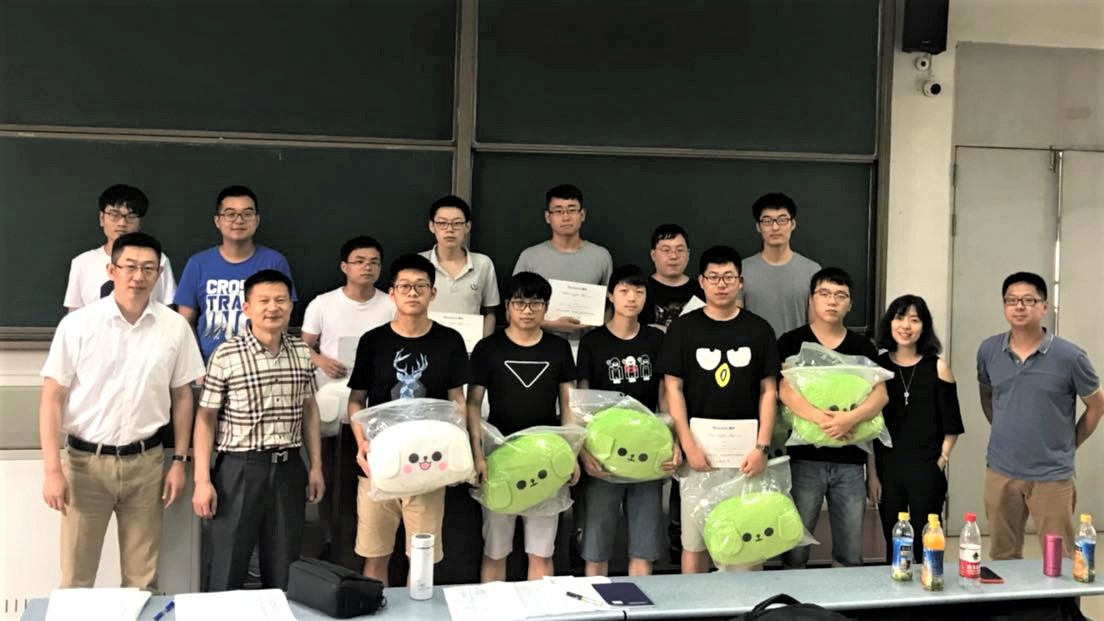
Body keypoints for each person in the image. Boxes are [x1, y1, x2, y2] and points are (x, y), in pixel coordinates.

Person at [40, 232, 204, 590]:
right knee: (76, 577)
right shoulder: (78, 325)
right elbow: (52, 397)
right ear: (112, 271)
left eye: (148, 268)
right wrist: (52, 469)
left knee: (142, 579)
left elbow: (182, 397)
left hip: (146, 464)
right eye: (129, 267)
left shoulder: (174, 327)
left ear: (159, 274)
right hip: (85, 466)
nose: (138, 276)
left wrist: (179, 460)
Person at [192, 269, 325, 591]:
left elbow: (309, 409)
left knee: (285, 564)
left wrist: (316, 466)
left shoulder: (302, 353)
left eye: (281, 300)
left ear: (291, 306)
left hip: (289, 467)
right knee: (228, 562)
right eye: (264, 301)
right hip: (240, 469)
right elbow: (206, 418)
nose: (273, 307)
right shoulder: (226, 354)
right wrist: (201, 480)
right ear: (247, 307)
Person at [345, 254, 471, 584]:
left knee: (423, 559)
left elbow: (457, 400)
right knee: (374, 556)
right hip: (378, 466)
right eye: (404, 286)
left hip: (429, 466)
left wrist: (462, 449)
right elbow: (356, 400)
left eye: (420, 286)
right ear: (392, 293)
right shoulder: (373, 341)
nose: (412, 293)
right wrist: (362, 444)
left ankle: (420, 608)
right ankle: (374, 607)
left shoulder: (450, 340)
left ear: (433, 293)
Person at [657, 245, 779, 574]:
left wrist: (762, 447)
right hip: (699, 454)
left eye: (728, 277)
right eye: (713, 277)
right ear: (701, 281)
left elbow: (769, 391)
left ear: (741, 281)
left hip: (747, 458)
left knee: (745, 542)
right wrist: (687, 444)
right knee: (694, 544)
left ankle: (745, 603)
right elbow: (672, 389)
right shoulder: (683, 328)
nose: (721, 284)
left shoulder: (759, 329)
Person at [978, 271, 1102, 559]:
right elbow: (987, 395)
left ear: (1044, 306)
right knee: (1003, 555)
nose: (1019, 306)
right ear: (1004, 305)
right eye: (1011, 300)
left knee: (1060, 560)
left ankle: (1060, 594)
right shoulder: (988, 350)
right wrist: (1006, 429)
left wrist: (1069, 444)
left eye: (1028, 300)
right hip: (1000, 470)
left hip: (1051, 475)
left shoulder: (1070, 356)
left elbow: (1097, 406)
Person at [467, 272, 579, 582]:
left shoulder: (558, 349)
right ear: (507, 306)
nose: (527, 310)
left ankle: (539, 607)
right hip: (498, 460)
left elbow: (568, 404)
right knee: (495, 550)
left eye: (536, 303)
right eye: (519, 303)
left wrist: (571, 453)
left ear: (546, 308)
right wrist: (477, 455)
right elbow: (472, 405)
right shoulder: (488, 348)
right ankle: (492, 608)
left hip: (547, 459)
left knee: (542, 553)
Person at [778, 267, 888, 569]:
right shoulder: (791, 342)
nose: (832, 301)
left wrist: (849, 419)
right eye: (824, 294)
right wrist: (822, 420)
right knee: (794, 549)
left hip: (850, 463)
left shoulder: (862, 347)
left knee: (850, 553)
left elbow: (880, 395)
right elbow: (783, 391)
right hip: (803, 461)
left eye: (841, 296)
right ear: (811, 299)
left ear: (850, 304)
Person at [301, 236, 395, 567]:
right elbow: (302, 345)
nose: (367, 267)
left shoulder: (391, 304)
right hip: (330, 410)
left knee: (373, 480)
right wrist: (321, 360)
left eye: (374, 262)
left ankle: (369, 548)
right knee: (332, 479)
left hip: (377, 409)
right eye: (359, 261)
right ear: (344, 266)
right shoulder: (323, 304)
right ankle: (332, 542)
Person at [578, 265, 677, 577]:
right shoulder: (593, 341)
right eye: (624, 291)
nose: (631, 298)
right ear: (611, 295)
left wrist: (673, 439)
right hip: (604, 454)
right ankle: (596, 602)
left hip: (648, 453)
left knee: (644, 548)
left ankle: (639, 601)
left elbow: (664, 394)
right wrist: (584, 451)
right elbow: (581, 401)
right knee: (596, 546)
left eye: (638, 291)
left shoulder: (656, 339)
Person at [867, 294, 964, 563]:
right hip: (888, 468)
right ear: (890, 323)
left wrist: (941, 461)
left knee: (927, 542)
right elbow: (870, 429)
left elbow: (952, 425)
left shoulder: (938, 367)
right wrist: (872, 474)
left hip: (926, 467)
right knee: (894, 543)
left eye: (914, 320)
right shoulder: (877, 368)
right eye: (900, 318)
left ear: (924, 326)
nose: (906, 326)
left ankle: (930, 586)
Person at [174, 185, 296, 361]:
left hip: (261, 364)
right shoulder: (197, 264)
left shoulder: (274, 262)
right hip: (209, 365)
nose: (239, 220)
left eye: (247, 214)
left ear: (257, 219)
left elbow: (283, 318)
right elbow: (185, 322)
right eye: (230, 214)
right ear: (217, 221)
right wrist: (196, 365)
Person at [513, 184, 613, 341]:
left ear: (582, 215)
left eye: (572, 210)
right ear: (548, 217)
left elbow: (611, 305)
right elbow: (513, 310)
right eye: (558, 211)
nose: (566, 217)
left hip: (588, 345)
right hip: (539, 344)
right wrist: (550, 325)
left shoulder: (601, 256)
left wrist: (600, 336)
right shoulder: (529, 257)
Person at [64, 184, 176, 312]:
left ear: (139, 222)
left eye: (131, 216)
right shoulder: (82, 263)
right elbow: (74, 315)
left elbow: (168, 310)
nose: (122, 223)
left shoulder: (157, 260)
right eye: (114, 214)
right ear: (102, 218)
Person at [740, 192, 821, 338]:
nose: (775, 227)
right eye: (767, 221)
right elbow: (735, 323)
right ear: (758, 226)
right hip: (754, 351)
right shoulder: (741, 270)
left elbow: (816, 326)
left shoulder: (813, 271)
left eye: (782, 220)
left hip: (797, 351)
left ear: (793, 224)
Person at [420, 195, 500, 337]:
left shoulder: (483, 263)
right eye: (442, 223)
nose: (450, 229)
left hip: (469, 346)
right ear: (432, 226)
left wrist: (482, 344)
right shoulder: (418, 263)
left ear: (467, 226)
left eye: (457, 223)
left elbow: (490, 311)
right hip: (426, 343)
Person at [641, 224, 703, 331]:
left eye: (680, 250)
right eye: (666, 250)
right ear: (653, 255)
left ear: (688, 254)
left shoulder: (703, 290)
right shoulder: (640, 290)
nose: (673, 256)